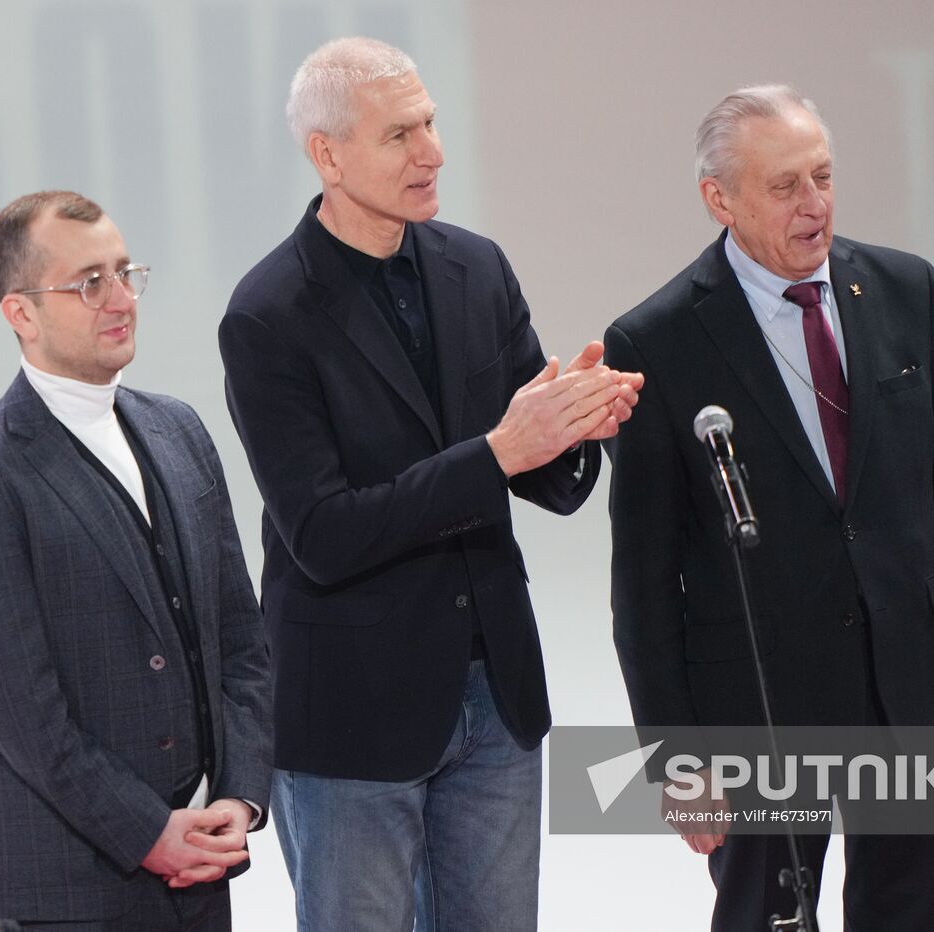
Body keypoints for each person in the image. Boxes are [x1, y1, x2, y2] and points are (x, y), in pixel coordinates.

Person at [218, 36, 641, 932]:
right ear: (327, 154)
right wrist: (497, 452)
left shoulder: (474, 267)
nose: (433, 153)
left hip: (495, 698)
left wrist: (578, 428)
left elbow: (552, 485)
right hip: (353, 712)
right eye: (400, 133)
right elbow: (324, 535)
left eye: (433, 123)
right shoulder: (267, 316)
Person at [603, 86, 934, 930]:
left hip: (914, 690)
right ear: (720, 198)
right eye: (784, 185)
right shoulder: (657, 341)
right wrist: (674, 757)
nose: (814, 204)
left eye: (822, 176)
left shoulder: (906, 290)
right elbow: (643, 581)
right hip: (758, 708)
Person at [0, 190, 272, 931]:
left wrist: (239, 797)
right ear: (20, 313)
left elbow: (243, 642)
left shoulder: (179, 431)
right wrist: (148, 833)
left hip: (201, 866)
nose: (120, 299)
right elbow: (21, 713)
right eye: (90, 283)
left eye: (125, 272)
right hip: (69, 887)